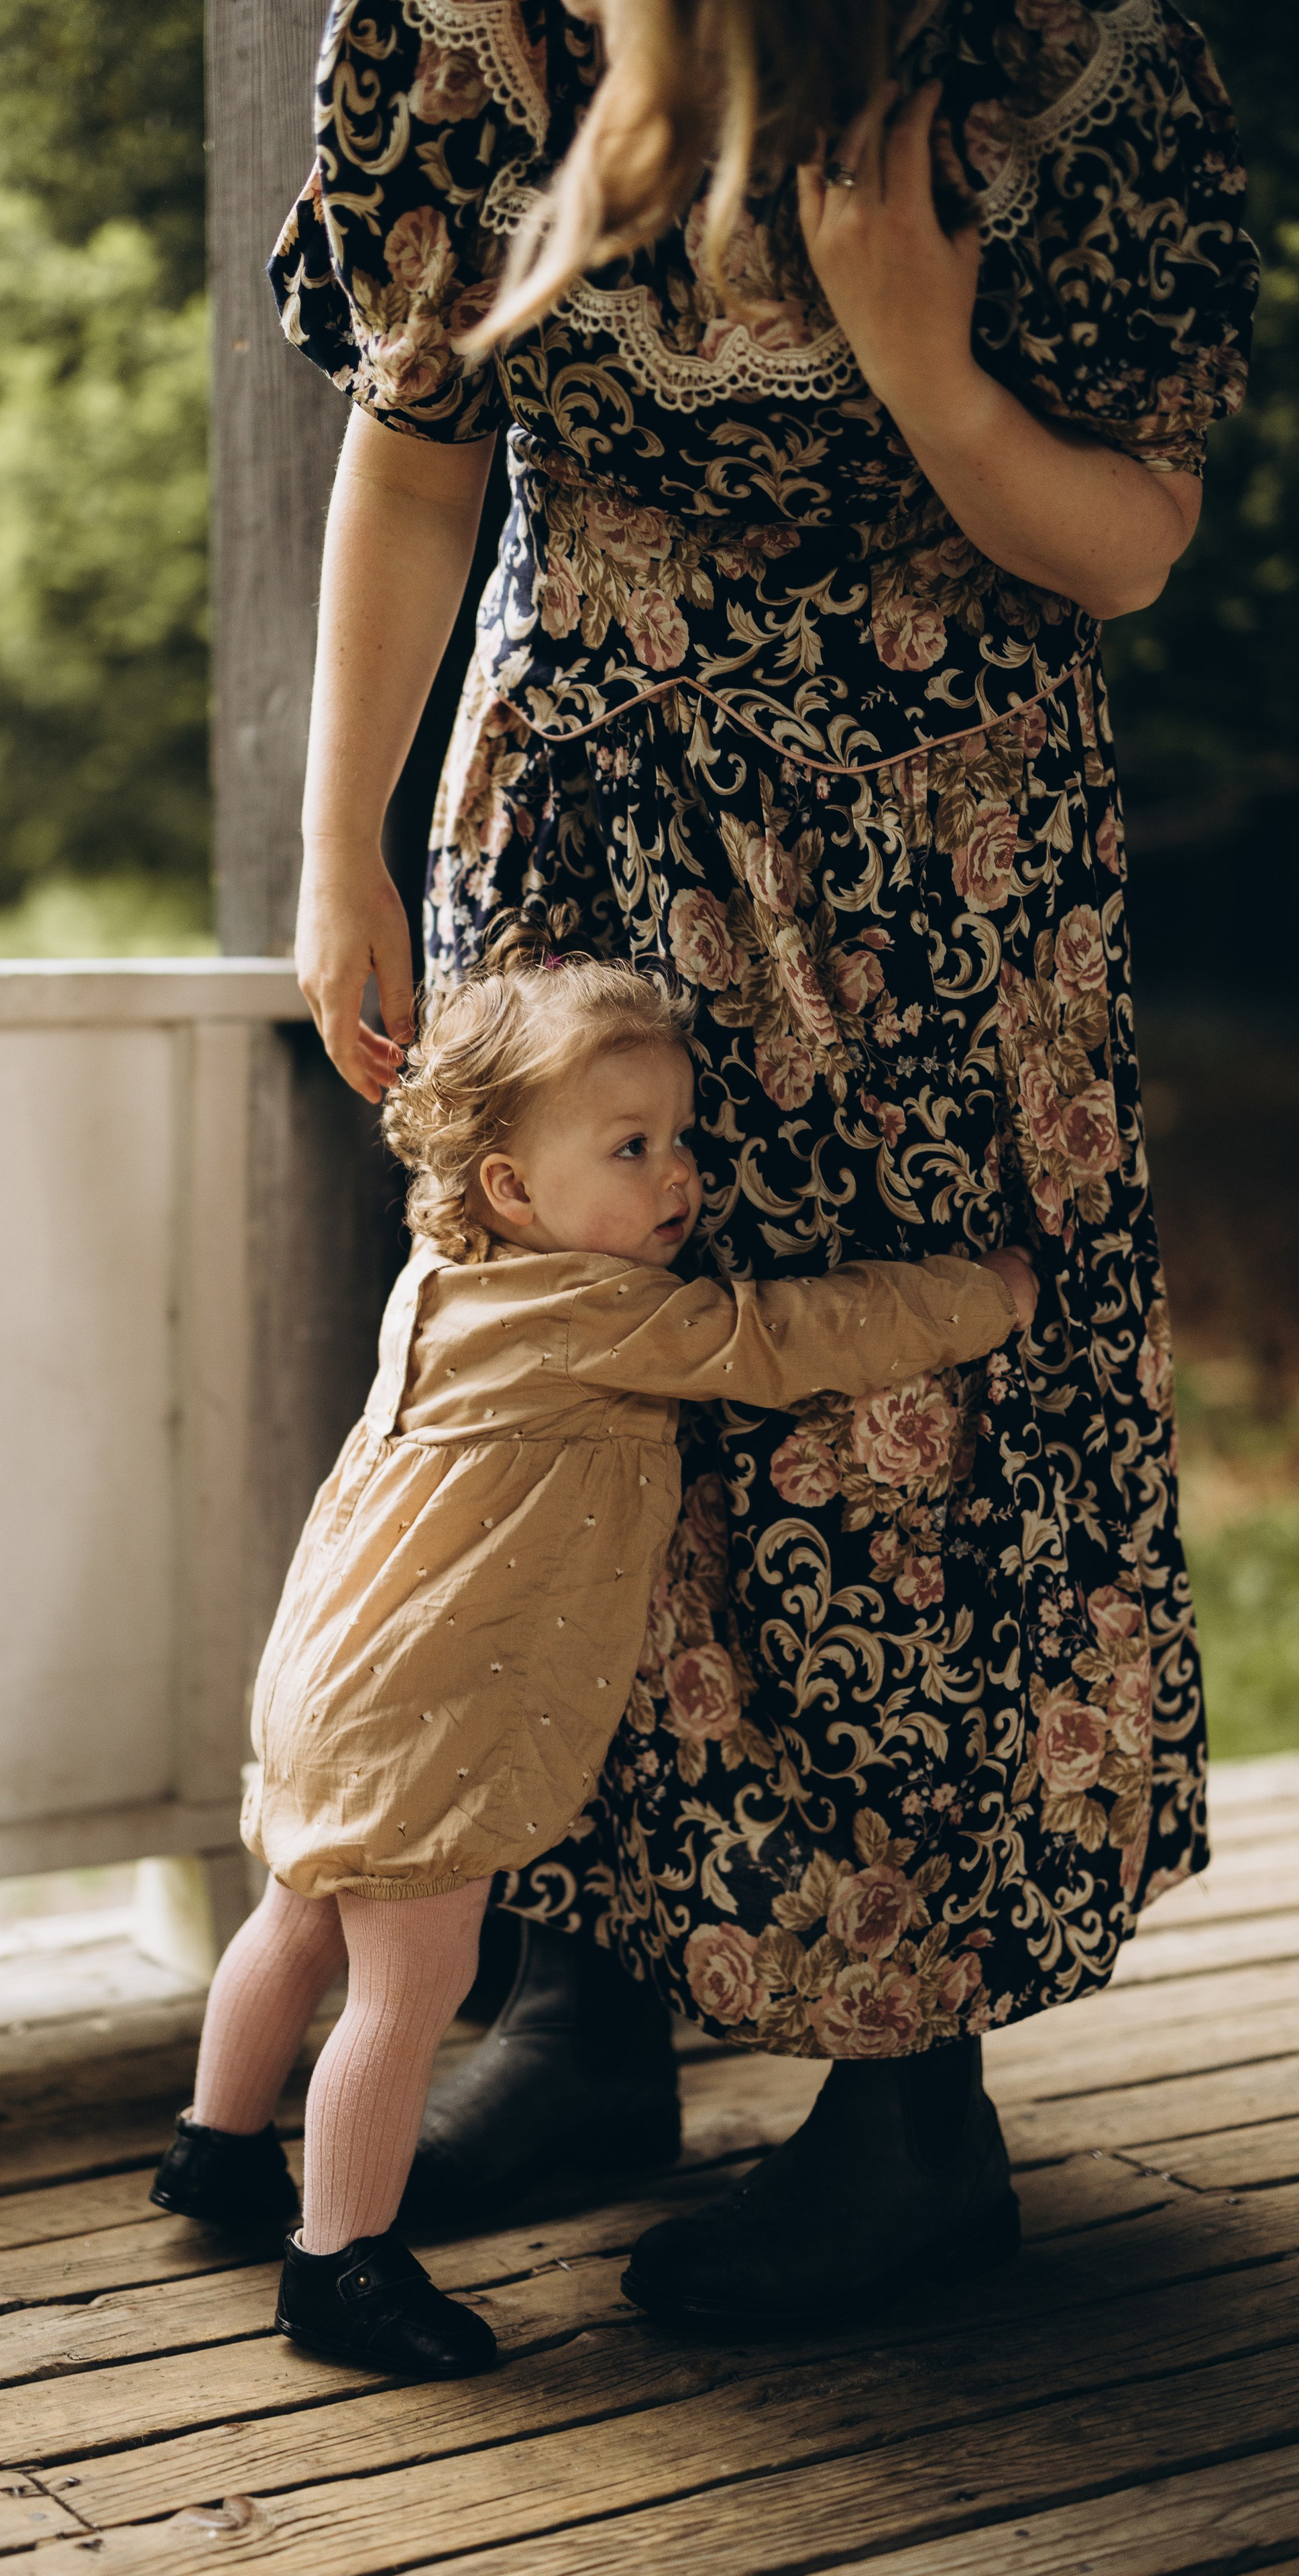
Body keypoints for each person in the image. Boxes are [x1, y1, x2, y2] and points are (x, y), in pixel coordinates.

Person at [268, 0, 1258, 2327]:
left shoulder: (1064, 49)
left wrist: (927, 359)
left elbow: (1126, 546)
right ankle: (575, 2020)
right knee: (547, 1415)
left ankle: (911, 2119)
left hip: (925, 876)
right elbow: (421, 450)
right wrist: (346, 843)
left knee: (878, 1449)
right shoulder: (451, 30)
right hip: (579, 829)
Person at [150, 923, 1035, 2377]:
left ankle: (217, 2150)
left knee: (297, 1913)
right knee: (405, 1985)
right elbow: (772, 1337)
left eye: (678, 1136)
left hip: (329, 1669)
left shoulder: (445, 1276)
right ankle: (336, 2268)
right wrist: (977, 1298)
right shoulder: (586, 1315)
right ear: (509, 1187)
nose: (680, 1174)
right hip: (429, 1704)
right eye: (629, 1147)